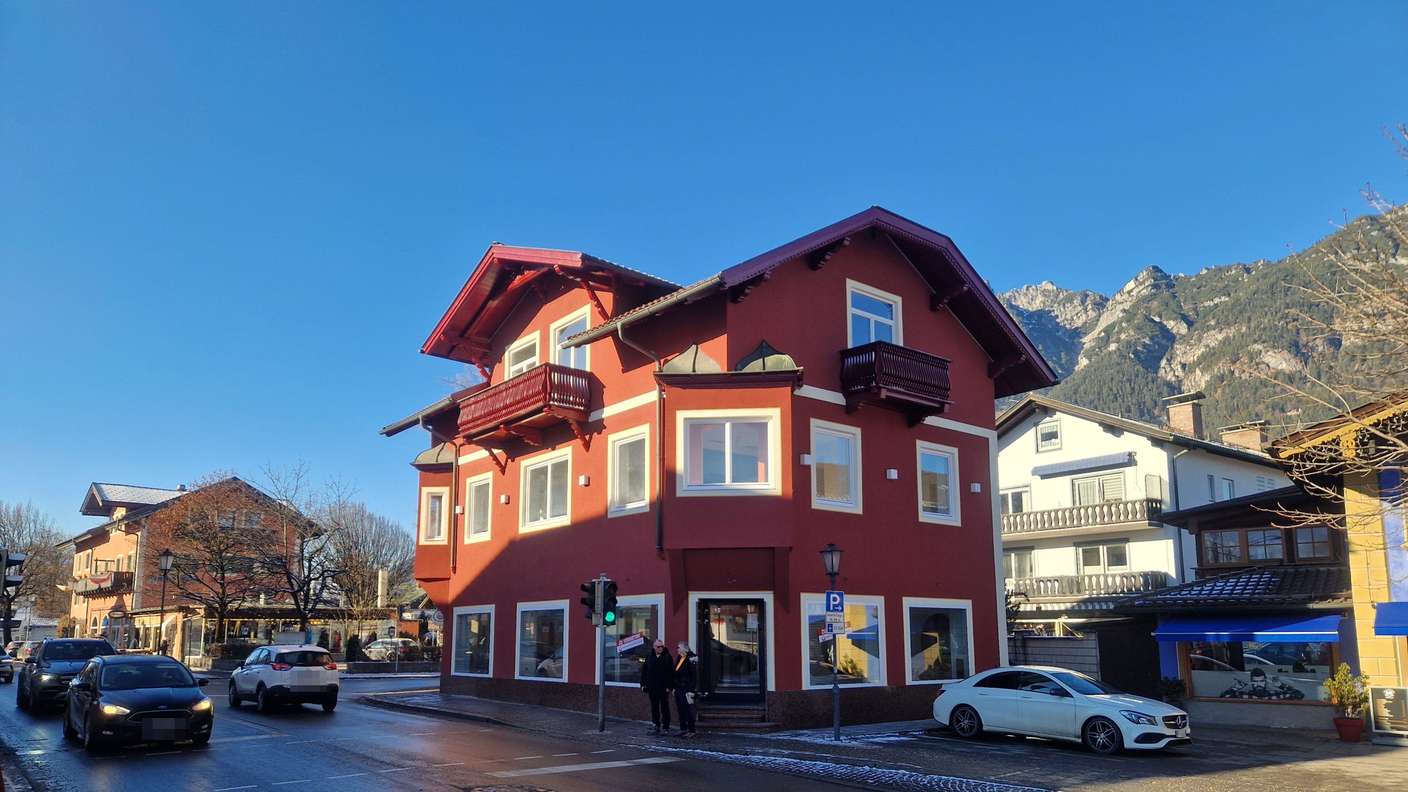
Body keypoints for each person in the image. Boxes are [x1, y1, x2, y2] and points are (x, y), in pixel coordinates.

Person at [640, 639, 675, 735]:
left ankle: (666, 727)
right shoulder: (649, 656)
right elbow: (644, 672)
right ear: (654, 647)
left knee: (664, 707)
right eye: (658, 647)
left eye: (662, 646)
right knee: (654, 707)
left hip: (663, 687)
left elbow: (671, 673)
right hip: (652, 687)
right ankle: (656, 725)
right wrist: (643, 684)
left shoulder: (667, 657)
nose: (660, 648)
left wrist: (669, 686)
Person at [673, 641, 698, 737]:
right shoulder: (680, 658)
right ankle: (683, 729)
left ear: (684, 649)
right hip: (679, 688)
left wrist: (691, 690)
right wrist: (674, 687)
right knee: (680, 709)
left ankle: (692, 730)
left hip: (687, 689)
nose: (677, 649)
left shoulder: (691, 658)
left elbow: (694, 676)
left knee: (688, 709)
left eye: (678, 647)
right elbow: (676, 673)